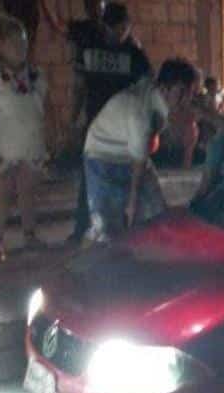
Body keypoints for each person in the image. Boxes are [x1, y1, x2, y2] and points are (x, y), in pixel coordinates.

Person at [41, 1, 153, 246]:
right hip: (95, 126)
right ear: (104, 25)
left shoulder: (135, 55)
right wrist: (72, 120)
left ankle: (128, 229)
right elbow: (79, 86)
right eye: (113, 29)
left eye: (121, 29)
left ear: (128, 26)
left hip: (126, 129)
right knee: (89, 178)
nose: (117, 34)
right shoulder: (90, 43)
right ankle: (83, 228)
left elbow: (148, 94)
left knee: (128, 176)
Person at [83, 58, 199, 243]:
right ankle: (94, 258)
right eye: (182, 93)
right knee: (107, 227)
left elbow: (202, 110)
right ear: (164, 89)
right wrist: (132, 200)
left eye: (191, 93)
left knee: (157, 211)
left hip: (134, 153)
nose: (187, 99)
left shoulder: (167, 97)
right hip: (103, 155)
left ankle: (154, 250)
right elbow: (138, 162)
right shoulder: (140, 114)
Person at [0, 15, 58, 262]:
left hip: (31, 144)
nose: (20, 48)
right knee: (1, 194)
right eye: (13, 42)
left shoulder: (35, 74)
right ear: (0, 44)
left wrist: (53, 134)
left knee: (28, 192)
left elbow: (47, 107)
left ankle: (30, 236)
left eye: (23, 42)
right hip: (1, 143)